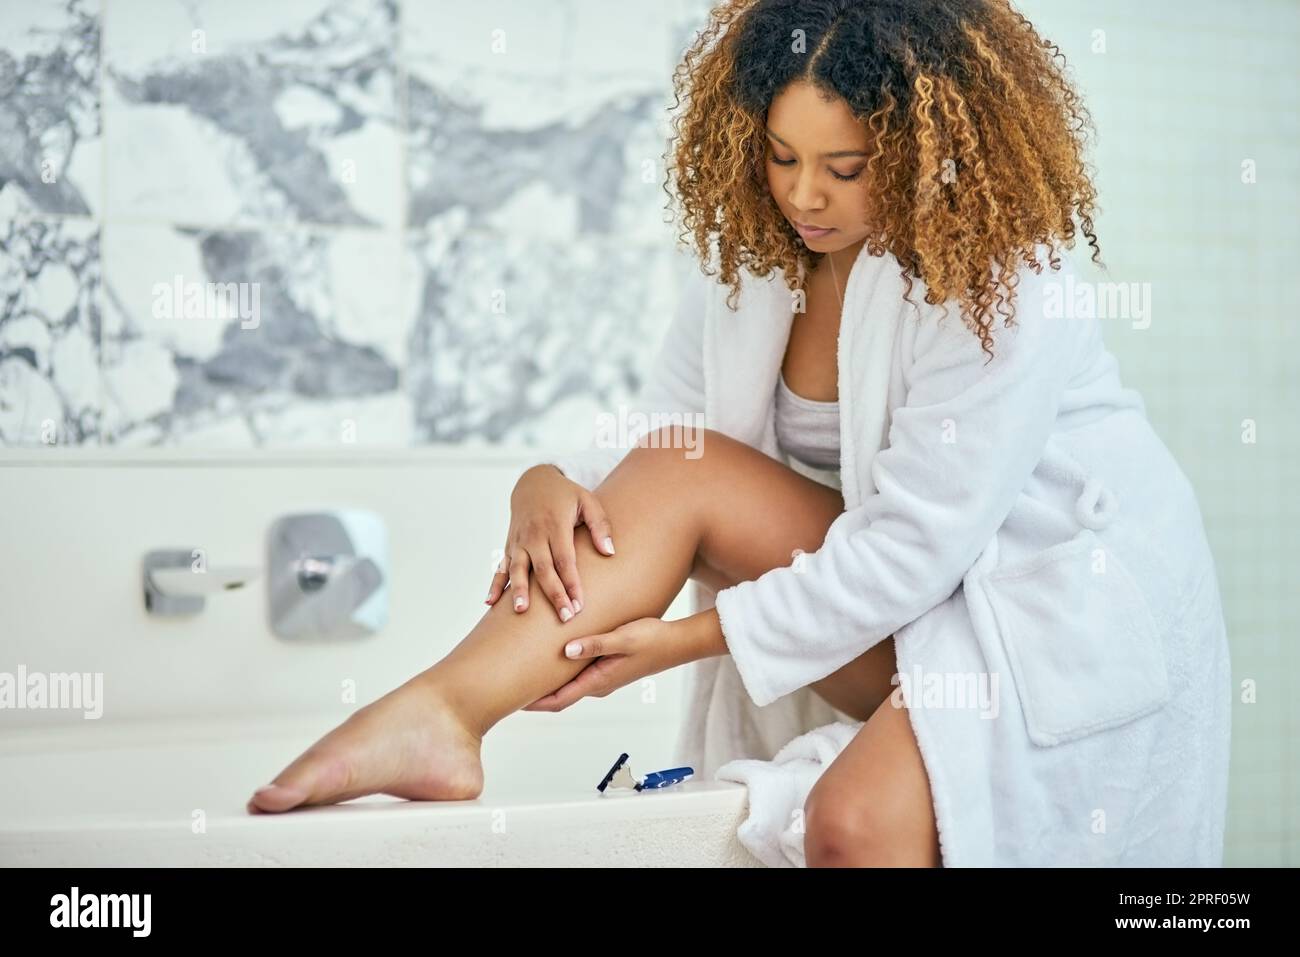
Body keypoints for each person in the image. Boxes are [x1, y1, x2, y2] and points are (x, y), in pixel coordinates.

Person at [248, 0, 1231, 869]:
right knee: (682, 473)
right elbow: (666, 441)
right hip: (907, 610)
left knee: (853, 822)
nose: (803, 197)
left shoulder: (1001, 278)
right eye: (781, 156)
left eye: (844, 168)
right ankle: (443, 714)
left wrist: (683, 639)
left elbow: (914, 547)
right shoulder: (759, 266)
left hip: (1045, 611)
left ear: (924, 144)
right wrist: (548, 478)